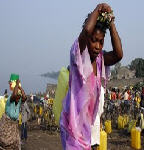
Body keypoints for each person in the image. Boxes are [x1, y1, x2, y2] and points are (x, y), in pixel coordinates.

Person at [60, 3, 123, 150]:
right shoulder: (78, 57)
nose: (97, 46)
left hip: (86, 129)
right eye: (94, 40)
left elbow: (118, 54)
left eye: (101, 42)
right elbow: (87, 30)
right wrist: (98, 8)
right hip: (72, 128)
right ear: (87, 39)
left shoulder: (100, 60)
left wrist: (111, 22)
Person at [0, 74, 27, 150]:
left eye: (19, 97)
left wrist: (20, 88)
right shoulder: (10, 99)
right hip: (7, 124)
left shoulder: (19, 101)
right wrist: (17, 84)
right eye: (18, 97)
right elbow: (14, 94)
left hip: (13, 125)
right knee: (5, 143)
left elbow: (25, 97)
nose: (19, 99)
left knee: (15, 144)